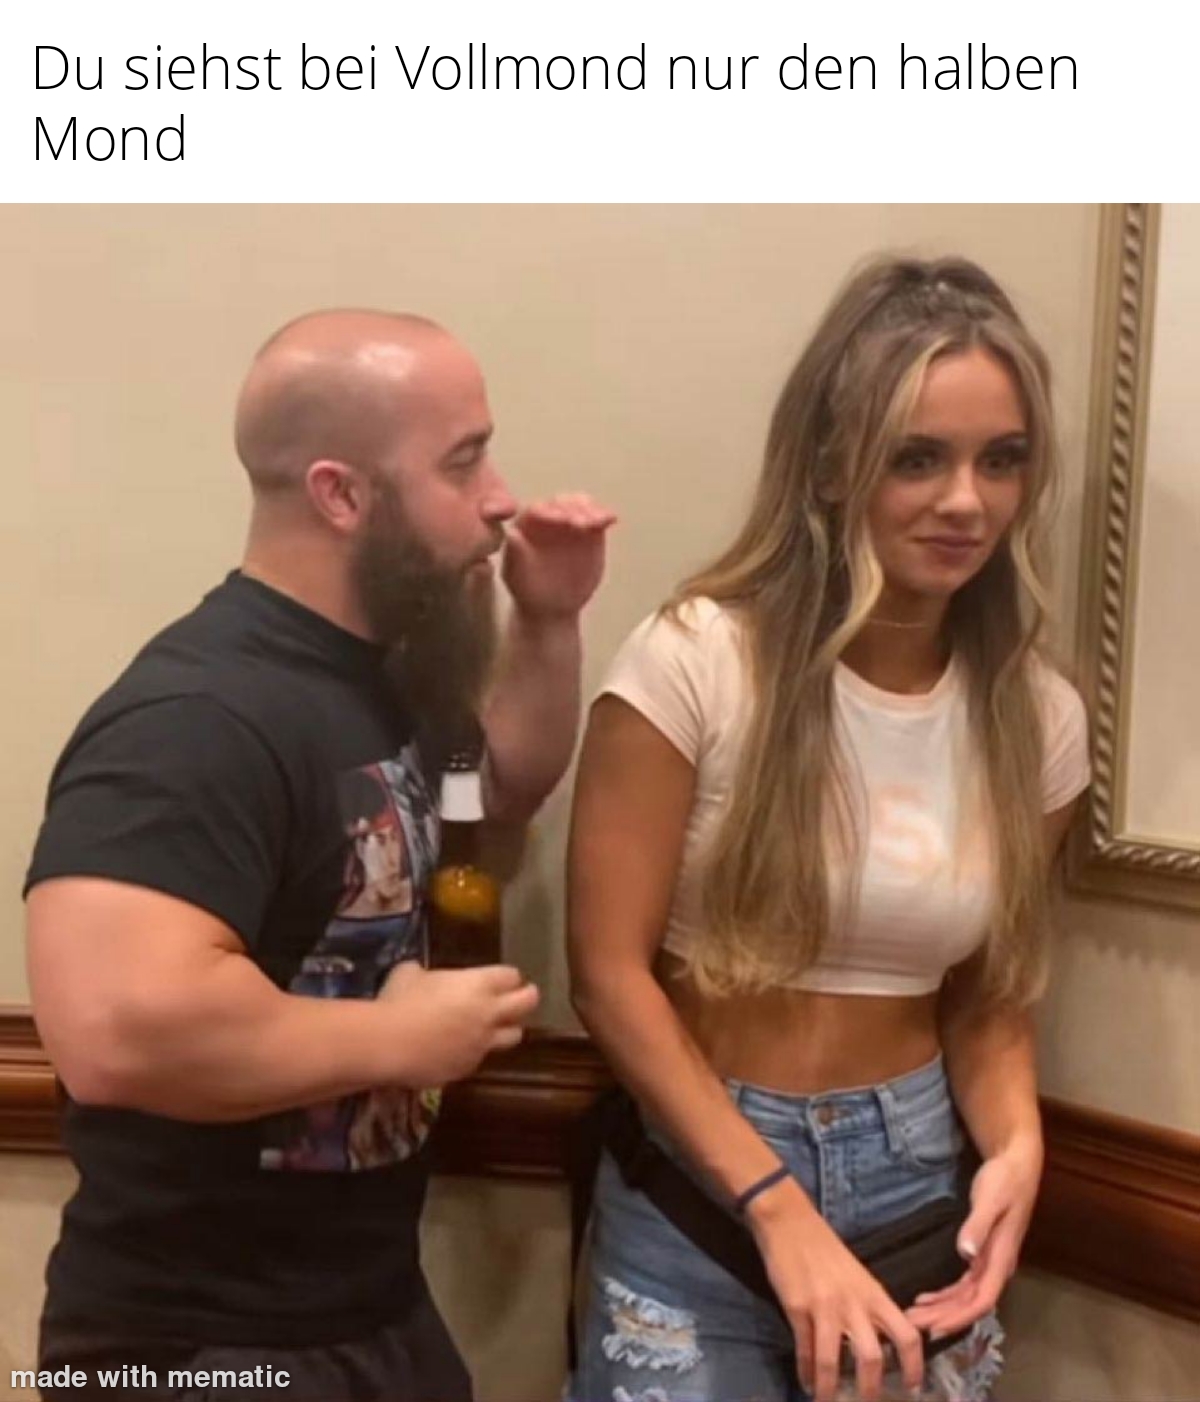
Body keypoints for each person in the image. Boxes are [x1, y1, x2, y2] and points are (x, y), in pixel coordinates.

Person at [24, 310, 616, 1401]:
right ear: (342, 495)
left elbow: (496, 789)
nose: (499, 497)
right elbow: (114, 1030)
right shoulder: (196, 715)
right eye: (463, 462)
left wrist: (547, 622)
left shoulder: (387, 673)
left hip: (364, 1309)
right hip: (190, 1344)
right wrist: (392, 1037)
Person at [566, 258, 1090, 1402]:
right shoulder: (697, 660)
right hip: (703, 1177)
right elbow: (607, 974)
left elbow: (987, 997)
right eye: (918, 457)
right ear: (829, 461)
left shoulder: (1036, 717)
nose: (968, 501)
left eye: (1002, 459)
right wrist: (775, 1206)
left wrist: (1018, 1147)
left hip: (916, 1181)